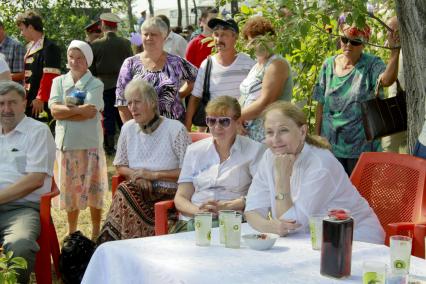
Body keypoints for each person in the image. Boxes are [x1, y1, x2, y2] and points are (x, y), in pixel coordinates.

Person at [245, 101, 385, 244]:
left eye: (283, 130)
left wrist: (281, 178)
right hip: (311, 240)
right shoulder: (269, 156)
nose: (275, 139)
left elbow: (294, 224)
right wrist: (271, 226)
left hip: (354, 239)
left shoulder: (320, 164)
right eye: (270, 132)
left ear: (302, 131)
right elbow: (252, 210)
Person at [97, 78, 191, 242]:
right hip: (138, 190)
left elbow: (189, 172)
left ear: (153, 103)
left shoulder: (175, 129)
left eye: (137, 102)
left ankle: (110, 244)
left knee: (125, 190)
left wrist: (153, 175)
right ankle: (120, 246)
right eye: (129, 103)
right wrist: (139, 176)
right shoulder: (128, 128)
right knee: (127, 188)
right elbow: (120, 165)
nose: (132, 108)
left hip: (169, 195)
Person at [313, 15, 400, 175]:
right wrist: (316, 138)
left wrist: (394, 52)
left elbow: (386, 80)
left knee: (359, 194)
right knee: (332, 194)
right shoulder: (328, 65)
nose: (348, 45)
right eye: (344, 40)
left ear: (364, 43)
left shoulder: (371, 64)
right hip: (330, 146)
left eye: (355, 42)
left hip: (361, 149)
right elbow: (320, 102)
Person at [174, 96, 265, 230]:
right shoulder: (194, 151)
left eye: (224, 121)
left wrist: (228, 206)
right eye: (211, 121)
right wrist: (200, 212)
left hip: (233, 221)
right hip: (195, 220)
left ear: (237, 121)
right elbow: (181, 197)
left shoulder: (254, 151)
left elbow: (261, 194)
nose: (217, 127)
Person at [48, 40, 107, 240]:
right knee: (71, 191)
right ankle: (72, 230)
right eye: (71, 57)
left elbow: (91, 112)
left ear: (88, 60)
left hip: (90, 145)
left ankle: (96, 229)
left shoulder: (96, 83)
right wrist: (78, 111)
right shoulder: (58, 82)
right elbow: (54, 110)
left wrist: (67, 112)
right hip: (66, 146)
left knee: (93, 190)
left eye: (80, 57)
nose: (75, 61)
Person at [0, 81, 56, 283]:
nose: (6, 109)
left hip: (22, 209)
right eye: (1, 103)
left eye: (12, 103)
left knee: (20, 246)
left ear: (24, 103)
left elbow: (35, 180)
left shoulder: (38, 132)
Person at [115, 17, 197, 123]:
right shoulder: (130, 63)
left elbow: (196, 79)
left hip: (174, 127)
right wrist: (130, 129)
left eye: (154, 34)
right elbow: (121, 101)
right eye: (145, 34)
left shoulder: (176, 62)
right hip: (143, 129)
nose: (149, 38)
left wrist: (178, 94)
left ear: (164, 36)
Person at [185, 18, 255, 131]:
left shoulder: (249, 64)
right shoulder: (207, 65)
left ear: (235, 36)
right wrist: (187, 128)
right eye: (216, 34)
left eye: (224, 35)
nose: (218, 39)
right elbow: (195, 98)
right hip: (216, 129)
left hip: (242, 129)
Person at [239, 16, 294, 142]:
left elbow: (266, 103)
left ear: (272, 38)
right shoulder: (256, 66)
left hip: (270, 137)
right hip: (250, 135)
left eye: (261, 40)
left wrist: (235, 118)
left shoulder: (277, 64)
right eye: (253, 41)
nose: (258, 45)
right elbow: (245, 97)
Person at [90, 12, 133, 155]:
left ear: (102, 25)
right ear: (116, 27)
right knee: (125, 115)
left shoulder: (95, 45)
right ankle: (129, 144)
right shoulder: (126, 43)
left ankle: (109, 147)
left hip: (104, 85)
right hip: (124, 85)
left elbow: (92, 69)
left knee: (108, 115)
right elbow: (131, 66)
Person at [16, 10, 61, 120]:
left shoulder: (50, 47)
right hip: (29, 100)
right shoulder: (29, 46)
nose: (21, 33)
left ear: (30, 27)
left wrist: (41, 97)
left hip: (40, 102)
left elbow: (50, 75)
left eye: (22, 29)